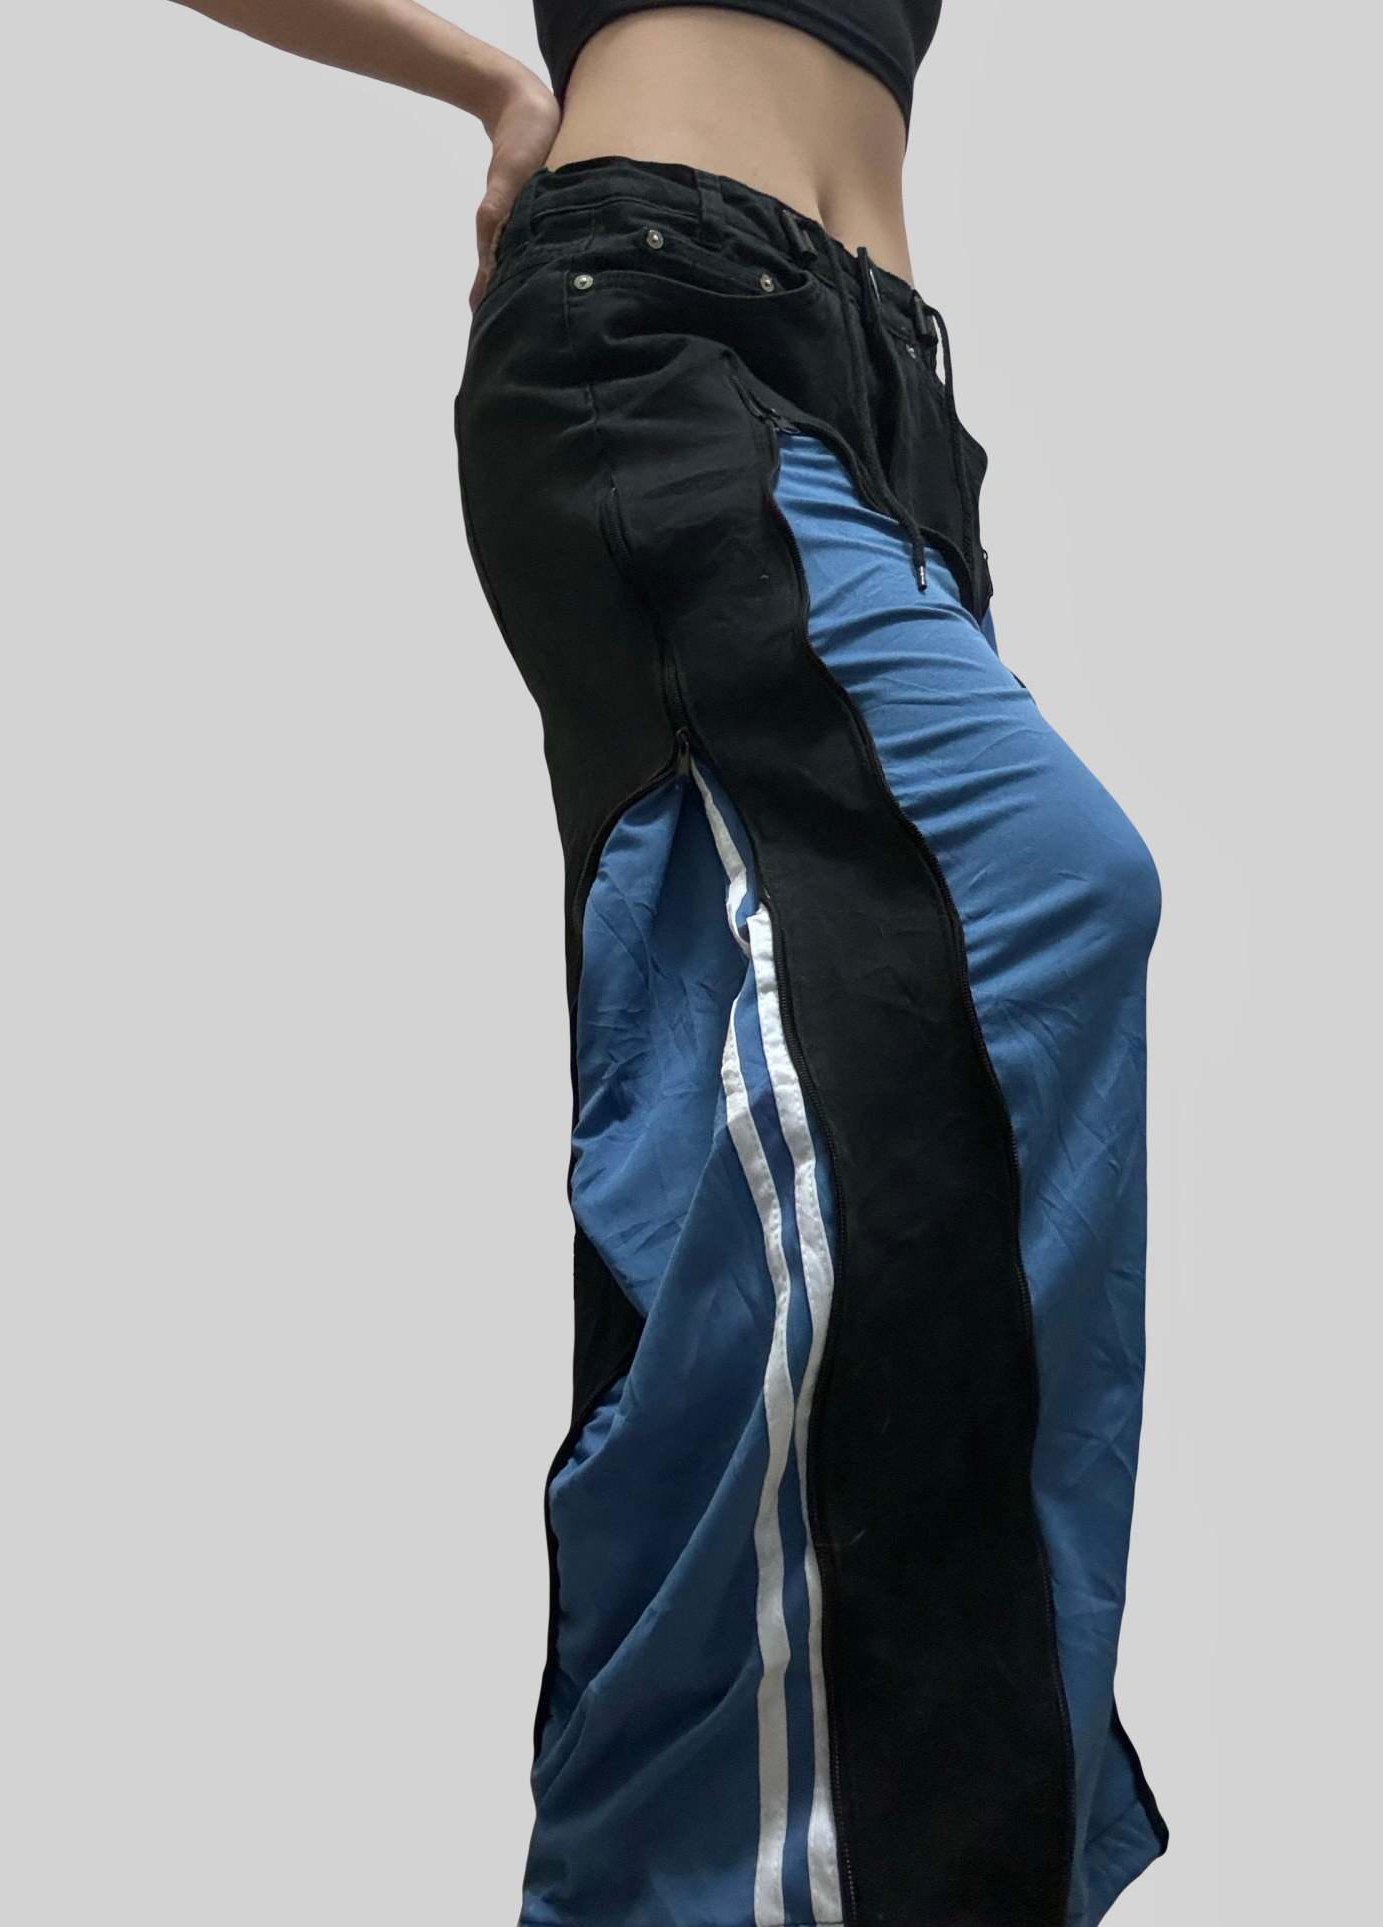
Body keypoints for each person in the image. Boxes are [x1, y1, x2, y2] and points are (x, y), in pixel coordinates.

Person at [174, 5, 1170, 1923]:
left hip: (878, 398)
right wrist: (490, 84)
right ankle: (715, 1868)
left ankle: (894, 1853)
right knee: (1026, 921)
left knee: (801, 1116)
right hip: (659, 315)